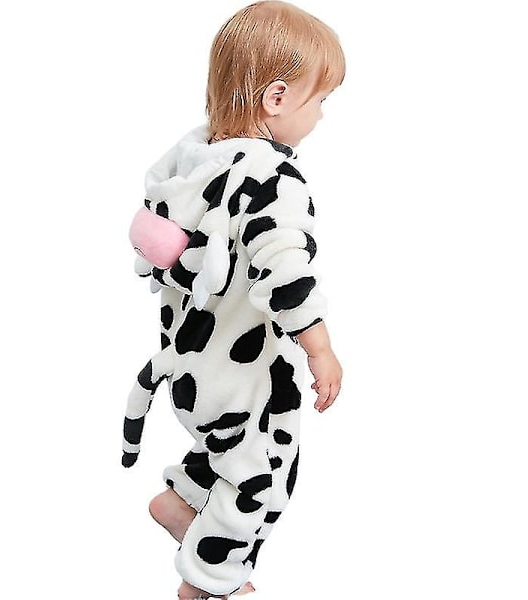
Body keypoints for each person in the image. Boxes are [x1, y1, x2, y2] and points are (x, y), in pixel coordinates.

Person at [121, 2, 345, 598]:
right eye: (320, 100)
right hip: (246, 376)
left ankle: (181, 506)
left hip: (192, 368)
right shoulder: (270, 177)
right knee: (263, 475)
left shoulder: (191, 159)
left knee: (226, 452)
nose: (322, 115)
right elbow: (286, 271)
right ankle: (211, 581)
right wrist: (320, 347)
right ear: (277, 98)